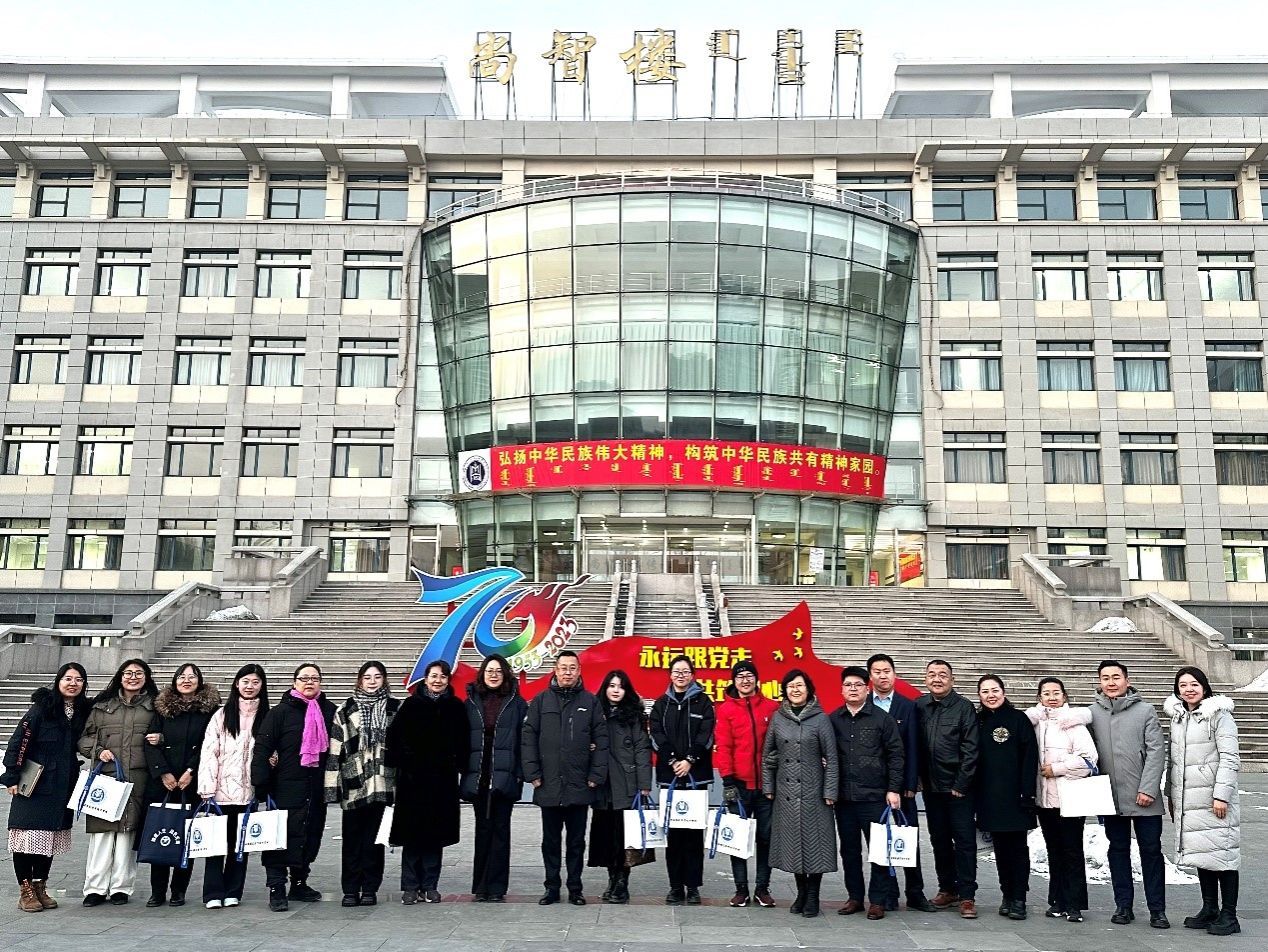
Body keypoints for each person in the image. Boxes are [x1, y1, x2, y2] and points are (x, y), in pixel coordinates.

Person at [522, 650, 608, 906]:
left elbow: (601, 740)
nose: (567, 672)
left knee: (576, 841)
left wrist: (595, 775)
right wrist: (533, 774)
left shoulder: (590, 702)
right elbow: (528, 738)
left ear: (579, 671)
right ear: (555, 670)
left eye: (572, 668)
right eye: (563, 668)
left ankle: (575, 887)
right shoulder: (541, 701)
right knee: (550, 841)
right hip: (548, 784)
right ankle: (551, 887)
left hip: (579, 784)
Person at [3, 663, 91, 913]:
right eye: (68, 678)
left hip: (63, 784)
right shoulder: (42, 708)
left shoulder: (83, 711)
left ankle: (40, 886)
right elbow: (20, 741)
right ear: (58, 681)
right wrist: (12, 775)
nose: (73, 683)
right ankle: (26, 890)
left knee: (48, 837)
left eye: (78, 679)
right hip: (34, 782)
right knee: (26, 837)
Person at [1088, 659, 1168, 928]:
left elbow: (1156, 751)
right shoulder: (1091, 713)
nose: (1111, 683)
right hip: (1110, 797)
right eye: (1105, 678)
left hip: (1144, 796)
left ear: (1127, 681)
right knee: (1118, 850)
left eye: (1116, 677)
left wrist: (1148, 789)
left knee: (1151, 851)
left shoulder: (1145, 710)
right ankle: (1123, 905)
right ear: (1100, 682)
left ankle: (1157, 909)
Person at [250, 662, 336, 912]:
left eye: (314, 678)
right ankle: (276, 887)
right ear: (294, 682)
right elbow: (263, 748)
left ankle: (299, 882)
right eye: (304, 678)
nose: (309, 682)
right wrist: (261, 784)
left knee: (310, 835)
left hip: (316, 785)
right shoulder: (279, 713)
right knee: (279, 837)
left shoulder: (329, 711)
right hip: (285, 786)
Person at [1164, 666, 1241, 936]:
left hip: (1214, 798)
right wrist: (1171, 795)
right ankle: (1209, 908)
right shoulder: (1178, 717)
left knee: (1223, 855)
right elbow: (1173, 760)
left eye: (1194, 684)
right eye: (1183, 685)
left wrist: (1221, 795)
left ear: (1204, 687)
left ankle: (1229, 915)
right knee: (1202, 853)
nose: (1189, 690)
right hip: (1189, 798)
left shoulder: (1219, 716)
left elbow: (1230, 758)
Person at [384, 659, 468, 904]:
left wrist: (457, 765)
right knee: (412, 835)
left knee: (434, 836)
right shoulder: (411, 705)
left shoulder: (455, 706)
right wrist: (407, 762)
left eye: (442, 676)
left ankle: (430, 885)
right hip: (413, 782)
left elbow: (463, 742)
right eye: (433, 676)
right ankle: (410, 886)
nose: (437, 680)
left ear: (448, 680)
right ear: (426, 678)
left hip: (442, 781)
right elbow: (395, 738)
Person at [77, 658, 158, 906]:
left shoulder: (155, 707)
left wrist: (160, 738)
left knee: (127, 833)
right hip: (106, 777)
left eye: (139, 673)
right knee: (102, 834)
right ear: (120, 677)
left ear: (146, 678)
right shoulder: (102, 707)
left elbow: (169, 736)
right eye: (128, 673)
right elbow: (84, 739)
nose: (133, 677)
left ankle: (121, 887)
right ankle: (95, 888)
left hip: (138, 779)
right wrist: (98, 750)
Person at [829, 665, 904, 920]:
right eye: (848, 685)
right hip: (844, 798)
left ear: (867, 688)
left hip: (874, 797)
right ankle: (855, 897)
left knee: (878, 851)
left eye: (858, 685)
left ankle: (878, 900)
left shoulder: (882, 719)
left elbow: (896, 756)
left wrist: (893, 789)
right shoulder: (834, 719)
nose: (853, 689)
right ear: (842, 689)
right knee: (849, 851)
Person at [762, 669, 838, 919]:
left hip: (814, 793)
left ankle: (813, 894)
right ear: (785, 691)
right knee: (792, 844)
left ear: (809, 689)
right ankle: (801, 892)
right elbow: (768, 755)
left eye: (800, 686)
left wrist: (830, 790)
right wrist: (768, 787)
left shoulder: (821, 719)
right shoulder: (778, 718)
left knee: (817, 844)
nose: (795, 690)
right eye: (790, 686)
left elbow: (832, 758)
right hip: (786, 792)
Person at [143, 662, 220, 908]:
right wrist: (163, 772)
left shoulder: (210, 711)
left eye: (192, 676)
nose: (186, 680)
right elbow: (149, 742)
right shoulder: (162, 708)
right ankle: (157, 891)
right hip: (163, 784)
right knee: (161, 832)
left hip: (192, 782)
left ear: (200, 681)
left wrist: (190, 771)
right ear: (175, 681)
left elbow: (209, 745)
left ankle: (178, 890)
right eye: (181, 676)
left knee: (187, 837)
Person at [325, 661, 401, 907]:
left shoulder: (395, 708)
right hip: (354, 784)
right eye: (367, 677)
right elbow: (335, 750)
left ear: (384, 679)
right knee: (352, 840)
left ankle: (369, 888)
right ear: (360, 680)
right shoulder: (345, 709)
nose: (372, 681)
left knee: (375, 841)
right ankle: (350, 889)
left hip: (382, 783)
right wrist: (331, 787)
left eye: (377, 677)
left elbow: (402, 748)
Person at [1024, 677, 1096, 922]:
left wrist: (1057, 768)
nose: (1051, 697)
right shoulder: (1034, 724)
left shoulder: (1073, 724)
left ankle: (1074, 904)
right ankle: (1057, 900)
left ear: (1064, 696)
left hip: (1070, 797)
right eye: (1046, 693)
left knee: (1072, 850)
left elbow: (1089, 760)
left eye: (1056, 693)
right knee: (1054, 850)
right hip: (1044, 799)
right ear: (1039, 698)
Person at [197, 663, 269, 909]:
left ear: (262, 686)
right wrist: (207, 788)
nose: (250, 686)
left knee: (240, 846)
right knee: (216, 845)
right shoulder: (222, 715)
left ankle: (233, 891)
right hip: (220, 792)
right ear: (237, 684)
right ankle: (212, 893)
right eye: (245, 681)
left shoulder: (267, 716)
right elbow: (209, 753)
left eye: (255, 682)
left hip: (249, 792)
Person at [867, 653, 934, 912]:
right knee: (881, 841)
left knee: (909, 837)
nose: (882, 676)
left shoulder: (908, 706)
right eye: (877, 672)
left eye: (887, 671)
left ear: (894, 674)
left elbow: (914, 746)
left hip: (903, 785)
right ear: (870, 676)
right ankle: (889, 893)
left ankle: (915, 892)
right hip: (873, 785)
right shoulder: (864, 705)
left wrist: (910, 782)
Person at [915, 658, 979, 918]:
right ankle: (947, 889)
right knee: (939, 840)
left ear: (952, 680)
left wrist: (961, 783)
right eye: (932, 674)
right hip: (932, 788)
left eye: (943, 674)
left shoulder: (964, 707)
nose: (937, 679)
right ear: (925, 679)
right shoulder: (919, 706)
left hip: (958, 789)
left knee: (964, 842)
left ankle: (967, 895)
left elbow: (971, 748)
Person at [460, 654, 527, 903]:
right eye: (489, 671)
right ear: (482, 674)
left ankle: (497, 886)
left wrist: (519, 773)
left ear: (505, 674)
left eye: (498, 671)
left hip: (504, 776)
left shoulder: (517, 703)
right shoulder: (470, 702)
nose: (494, 675)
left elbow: (523, 740)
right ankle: (481, 886)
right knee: (482, 830)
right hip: (479, 775)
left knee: (501, 831)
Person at [650, 655, 716, 906]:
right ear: (670, 675)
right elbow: (656, 735)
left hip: (696, 778)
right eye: (676, 671)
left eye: (685, 671)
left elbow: (706, 736)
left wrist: (689, 760)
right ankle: (675, 886)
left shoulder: (704, 702)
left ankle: (693, 886)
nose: (680, 675)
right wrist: (672, 761)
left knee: (694, 836)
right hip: (670, 779)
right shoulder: (661, 704)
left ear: (692, 675)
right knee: (674, 836)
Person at [973, 675, 1038, 921]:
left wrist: (1027, 792)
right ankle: (1007, 895)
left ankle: (1019, 897)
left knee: (1018, 849)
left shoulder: (1018, 719)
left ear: (1003, 692)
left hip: (1016, 796)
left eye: (995, 690)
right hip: (989, 797)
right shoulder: (977, 721)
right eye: (985, 691)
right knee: (999, 849)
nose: (991, 695)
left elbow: (1030, 757)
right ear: (979, 696)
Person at [715, 658, 778, 908]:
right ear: (734, 681)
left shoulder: (771, 707)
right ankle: (741, 889)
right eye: (740, 676)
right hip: (739, 786)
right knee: (737, 839)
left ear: (756, 679)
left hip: (766, 787)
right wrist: (727, 780)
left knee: (766, 837)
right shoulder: (726, 710)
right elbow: (724, 747)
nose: (745, 680)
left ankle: (762, 887)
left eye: (749, 675)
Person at [588, 669, 652, 904]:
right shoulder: (595, 712)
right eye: (612, 686)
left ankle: (622, 882)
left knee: (624, 836)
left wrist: (644, 784)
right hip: (602, 783)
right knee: (606, 835)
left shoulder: (634, 715)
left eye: (620, 686)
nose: (616, 690)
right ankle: (612, 879)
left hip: (626, 783)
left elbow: (642, 750)